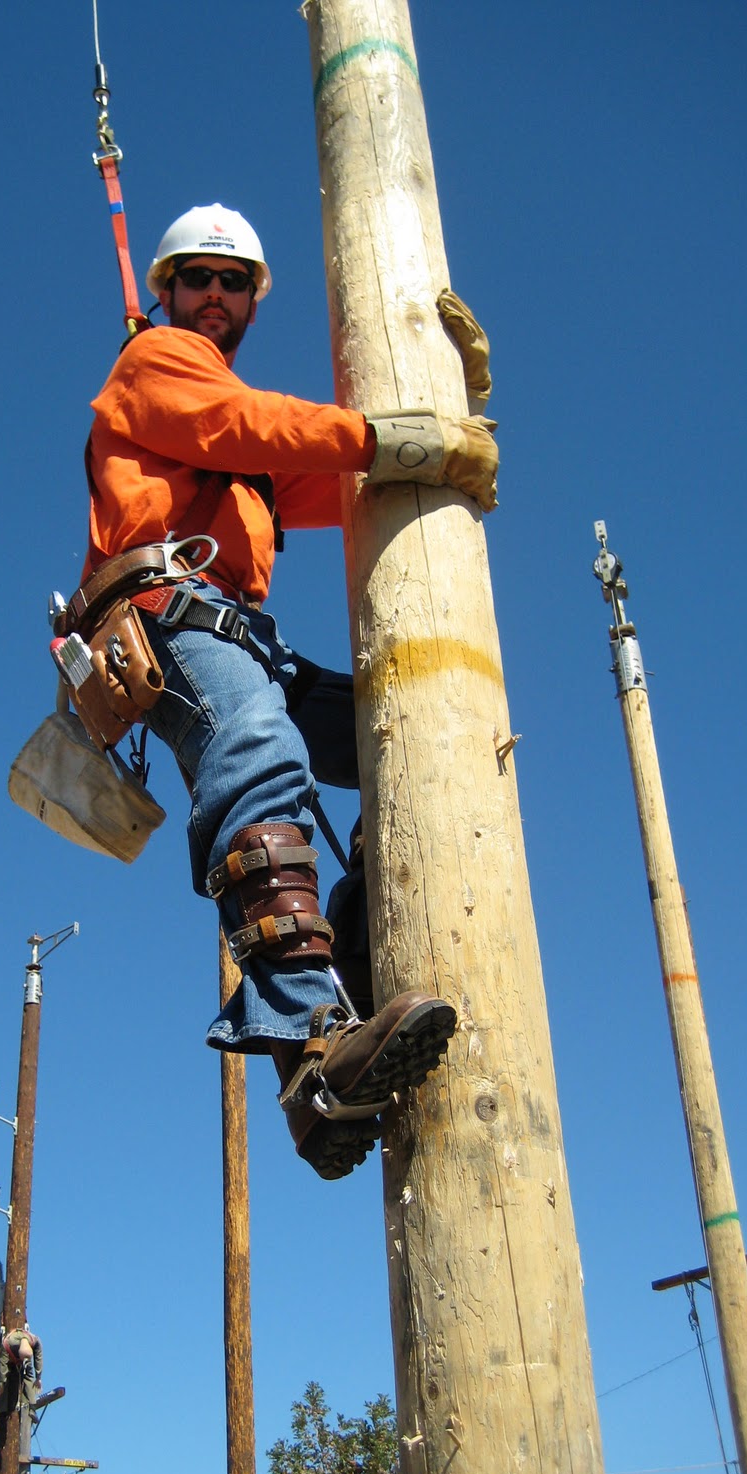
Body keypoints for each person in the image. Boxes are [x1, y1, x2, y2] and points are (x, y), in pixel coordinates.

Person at [81, 203, 497, 1180]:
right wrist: (403, 435)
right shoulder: (157, 365)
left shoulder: (245, 461)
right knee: (257, 750)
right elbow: (256, 424)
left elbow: (344, 475)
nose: (215, 295)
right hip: (168, 616)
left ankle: (352, 986)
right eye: (197, 277)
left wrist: (453, 408)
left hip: (235, 632)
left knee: (394, 735)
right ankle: (311, 1038)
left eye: (233, 282)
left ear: (253, 301)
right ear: (167, 291)